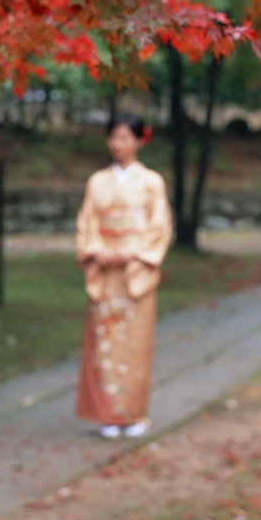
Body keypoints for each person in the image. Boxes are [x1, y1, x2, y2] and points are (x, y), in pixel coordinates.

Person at [75, 112, 173, 439]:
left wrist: (134, 251)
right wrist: (97, 250)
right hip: (105, 271)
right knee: (104, 341)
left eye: (125, 137)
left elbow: (159, 227)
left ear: (139, 140)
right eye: (114, 137)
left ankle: (133, 414)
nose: (119, 144)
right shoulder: (97, 181)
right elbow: (86, 224)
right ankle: (107, 414)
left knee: (135, 342)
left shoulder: (152, 182)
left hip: (135, 272)